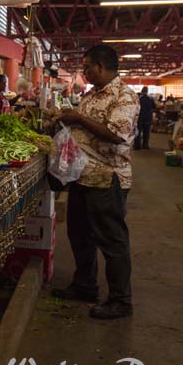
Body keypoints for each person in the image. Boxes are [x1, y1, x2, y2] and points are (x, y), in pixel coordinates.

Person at [52, 44, 140, 320]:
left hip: (107, 178)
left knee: (111, 240)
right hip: (83, 175)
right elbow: (84, 127)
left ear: (101, 67)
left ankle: (120, 300)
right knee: (79, 235)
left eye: (88, 66)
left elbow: (116, 135)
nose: (85, 71)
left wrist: (78, 117)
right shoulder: (92, 95)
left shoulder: (124, 97)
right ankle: (84, 285)